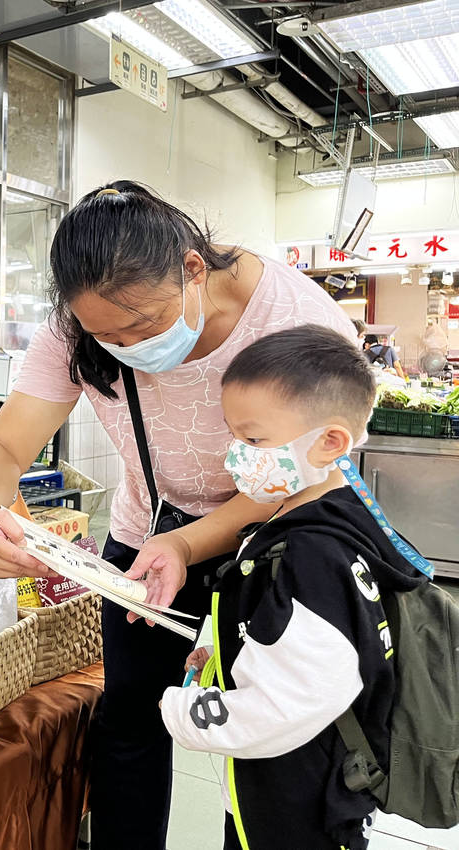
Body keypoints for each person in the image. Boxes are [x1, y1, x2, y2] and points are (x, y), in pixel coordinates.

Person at [0, 180, 353, 849]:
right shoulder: (77, 328)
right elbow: (2, 445)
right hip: (145, 543)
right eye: (103, 334)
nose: (125, 345)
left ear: (193, 268)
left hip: (273, 546)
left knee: (270, 743)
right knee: (130, 723)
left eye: (142, 325)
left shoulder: (295, 321)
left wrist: (191, 545)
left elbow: (300, 473)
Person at [161, 326, 426, 850]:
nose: (237, 454)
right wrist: (223, 654)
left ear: (330, 442)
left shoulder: (312, 552)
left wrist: (182, 713)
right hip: (299, 780)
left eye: (255, 440)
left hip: (301, 796)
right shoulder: (325, 516)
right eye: (235, 435)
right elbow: (298, 633)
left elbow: (293, 701)